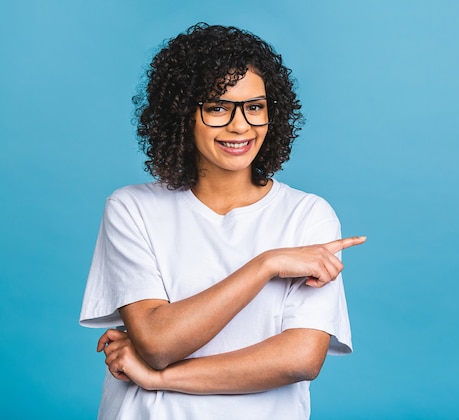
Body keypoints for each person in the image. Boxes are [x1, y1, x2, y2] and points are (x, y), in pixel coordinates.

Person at [79, 23, 365, 419]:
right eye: (217, 108)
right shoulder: (132, 208)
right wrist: (267, 265)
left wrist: (158, 378)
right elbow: (158, 342)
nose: (240, 125)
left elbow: (299, 358)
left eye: (255, 106)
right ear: (182, 115)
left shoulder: (308, 215)